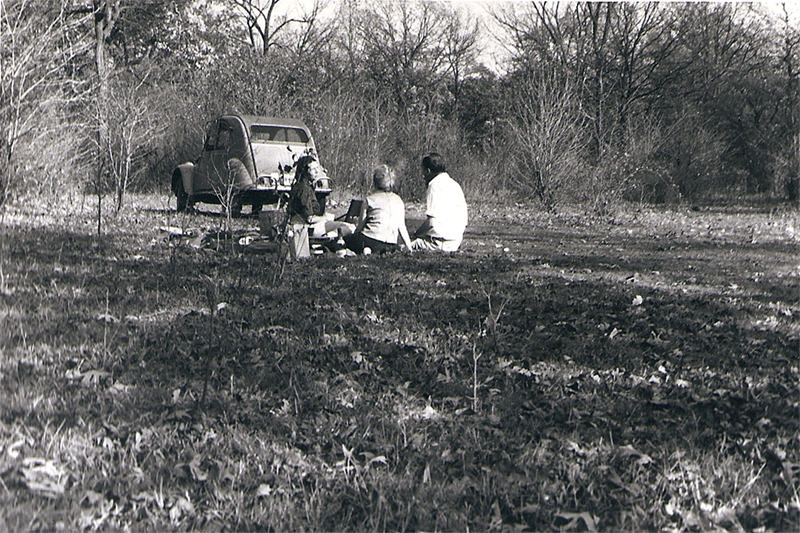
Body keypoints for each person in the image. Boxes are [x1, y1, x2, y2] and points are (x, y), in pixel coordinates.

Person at [342, 165, 413, 255]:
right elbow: (402, 227)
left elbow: (360, 226)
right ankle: (372, 251)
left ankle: (364, 249)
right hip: (390, 243)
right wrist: (409, 247)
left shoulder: (370, 199)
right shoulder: (398, 200)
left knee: (345, 239)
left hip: (370, 239)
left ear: (375, 182)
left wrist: (354, 236)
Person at [411, 152, 468, 252]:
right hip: (455, 241)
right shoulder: (455, 184)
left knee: (404, 244)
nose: (423, 176)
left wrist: (416, 233)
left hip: (439, 243)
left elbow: (432, 221)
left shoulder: (433, 185)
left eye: (423, 172)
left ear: (428, 171)